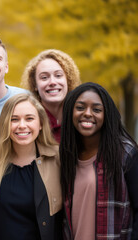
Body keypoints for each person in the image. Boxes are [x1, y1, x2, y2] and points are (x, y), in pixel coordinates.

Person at [60, 82, 138, 239]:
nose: (88, 113)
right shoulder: (66, 156)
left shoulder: (125, 154)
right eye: (80, 107)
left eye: (96, 109)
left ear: (106, 115)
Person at [0, 93, 62, 240]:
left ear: (40, 124)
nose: (22, 125)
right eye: (14, 119)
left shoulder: (58, 159)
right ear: (5, 123)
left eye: (29, 118)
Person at [21, 49, 81, 142]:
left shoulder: (81, 116)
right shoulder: (27, 122)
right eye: (44, 77)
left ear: (68, 80)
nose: (52, 82)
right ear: (35, 84)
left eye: (58, 75)